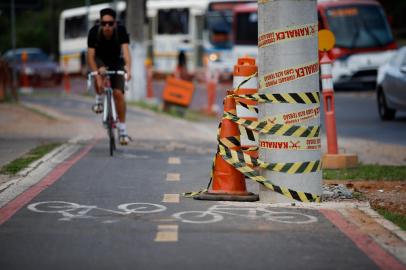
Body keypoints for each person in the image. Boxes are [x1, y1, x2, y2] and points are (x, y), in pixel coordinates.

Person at [87, 8, 132, 145]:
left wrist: (128, 69)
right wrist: (98, 76)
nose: (107, 26)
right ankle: (99, 98)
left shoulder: (121, 31)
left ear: (115, 23)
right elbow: (90, 57)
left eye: (110, 23)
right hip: (100, 60)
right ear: (100, 23)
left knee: (118, 93)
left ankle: (123, 130)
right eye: (104, 23)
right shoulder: (94, 32)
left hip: (116, 61)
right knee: (98, 75)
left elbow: (126, 53)